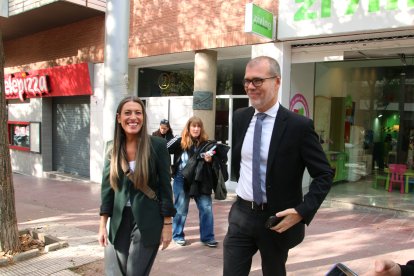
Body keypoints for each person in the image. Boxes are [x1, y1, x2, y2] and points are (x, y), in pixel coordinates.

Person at [223, 56, 333, 275]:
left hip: (276, 220)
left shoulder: (298, 126)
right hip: (241, 215)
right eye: (246, 81)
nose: (250, 87)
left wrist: (302, 212)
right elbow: (241, 160)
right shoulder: (240, 117)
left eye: (257, 81)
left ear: (277, 82)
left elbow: (324, 174)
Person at [98, 96, 176, 276]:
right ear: (119, 118)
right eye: (127, 113)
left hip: (148, 219)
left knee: (135, 272)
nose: (133, 117)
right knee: (120, 272)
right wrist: (103, 225)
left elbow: (165, 187)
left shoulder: (157, 145)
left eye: (138, 112)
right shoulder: (112, 148)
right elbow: (107, 190)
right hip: (119, 220)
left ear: (143, 117)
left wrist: (167, 225)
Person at [166, 116, 218, 248]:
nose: (196, 129)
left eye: (198, 126)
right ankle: (177, 235)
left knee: (206, 208)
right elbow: (163, 148)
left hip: (200, 180)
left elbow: (214, 162)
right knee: (181, 209)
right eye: (193, 126)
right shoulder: (180, 140)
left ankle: (207, 237)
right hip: (181, 178)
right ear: (188, 127)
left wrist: (209, 160)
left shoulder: (206, 143)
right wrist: (166, 168)